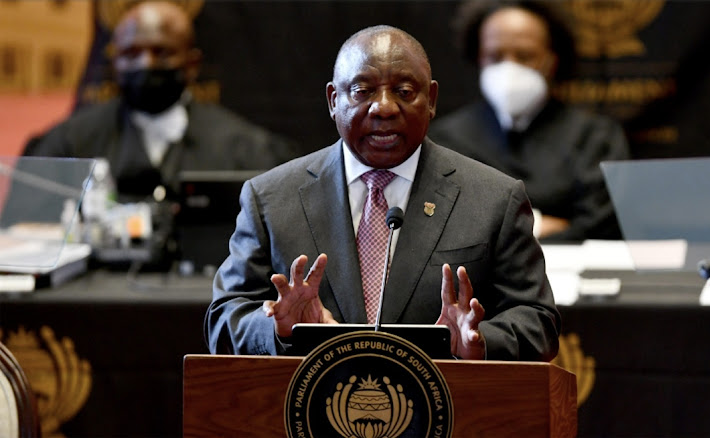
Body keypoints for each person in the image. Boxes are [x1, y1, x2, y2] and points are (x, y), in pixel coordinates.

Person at [205, 25, 560, 361]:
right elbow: (224, 318)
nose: (385, 108)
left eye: (404, 92)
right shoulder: (269, 197)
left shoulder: (494, 198)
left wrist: (478, 343)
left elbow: (538, 321)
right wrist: (280, 330)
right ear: (333, 100)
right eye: (363, 91)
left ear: (431, 99)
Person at [23, 1, 296, 202]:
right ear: (115, 62)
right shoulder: (68, 145)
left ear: (192, 64)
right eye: (132, 53)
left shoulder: (246, 150)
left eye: (162, 52)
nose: (146, 63)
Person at [429, 0, 630, 241]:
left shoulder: (596, 137)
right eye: (495, 56)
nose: (509, 69)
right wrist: (543, 225)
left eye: (525, 56)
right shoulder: (446, 140)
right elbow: (442, 223)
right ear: (479, 58)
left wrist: (501, 229)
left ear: (552, 60)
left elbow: (601, 224)